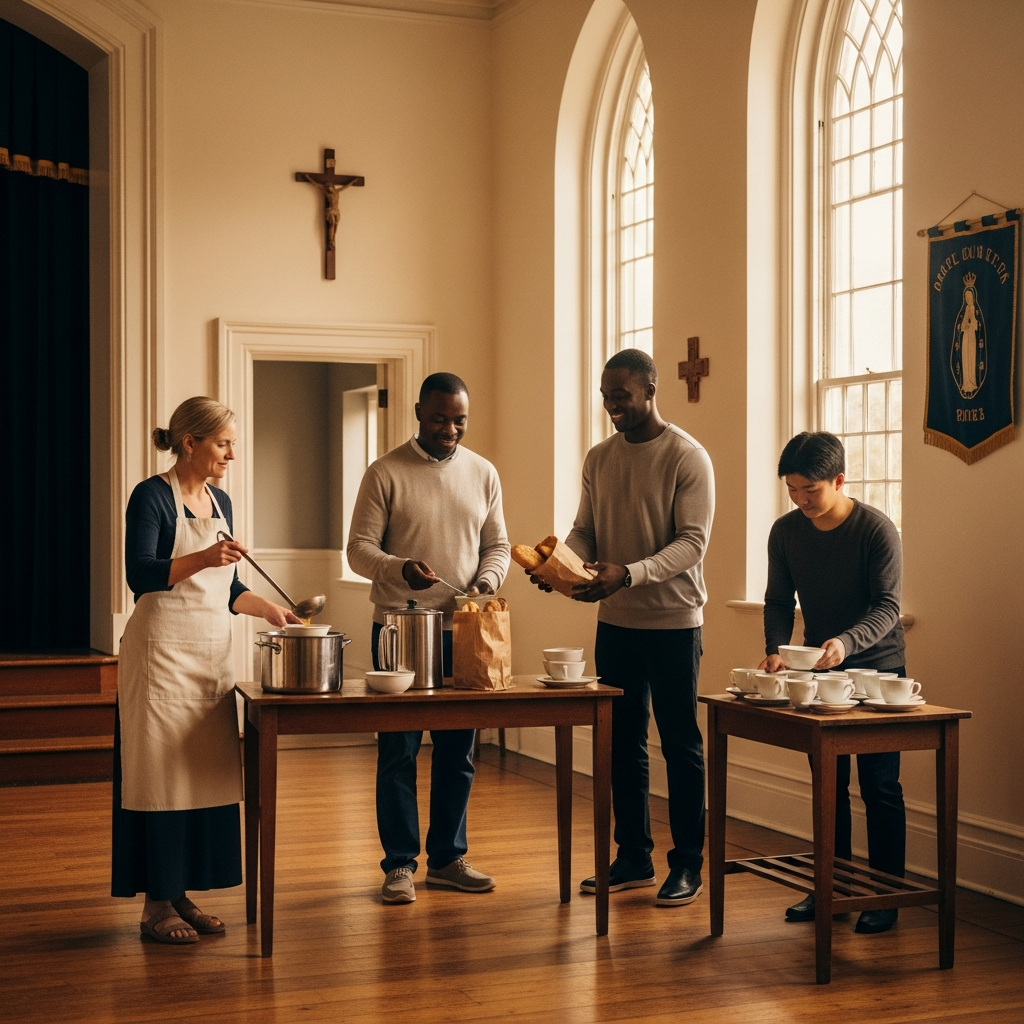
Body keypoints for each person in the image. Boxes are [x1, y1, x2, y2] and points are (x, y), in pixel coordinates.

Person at [529, 349, 715, 907]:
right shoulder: (599, 456)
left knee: (680, 745)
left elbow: (692, 543)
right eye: (606, 396)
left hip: (675, 622)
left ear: (651, 390)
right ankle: (633, 854)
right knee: (620, 744)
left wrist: (628, 574)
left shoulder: (688, 457)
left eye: (622, 396)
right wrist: (561, 563)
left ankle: (688, 865)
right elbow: (587, 530)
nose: (612, 406)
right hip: (616, 622)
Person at [113, 397, 300, 944]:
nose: (231, 455)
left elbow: (226, 589)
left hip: (209, 660)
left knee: (203, 777)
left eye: (232, 444)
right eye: (223, 444)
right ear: (190, 442)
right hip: (160, 660)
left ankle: (181, 893)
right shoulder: (151, 496)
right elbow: (141, 575)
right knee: (162, 780)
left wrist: (269, 610)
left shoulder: (221, 501)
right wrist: (203, 558)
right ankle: (155, 906)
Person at [347, 372, 510, 905]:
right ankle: (398, 865)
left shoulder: (483, 472)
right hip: (398, 627)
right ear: (419, 411)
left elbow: (498, 545)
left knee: (459, 750)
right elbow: (358, 550)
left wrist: (487, 581)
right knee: (398, 750)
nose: (450, 429)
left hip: (463, 628)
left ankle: (446, 859)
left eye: (459, 419)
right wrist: (397, 569)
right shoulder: (385, 472)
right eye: (440, 418)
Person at [760, 430, 907, 934]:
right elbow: (778, 602)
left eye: (810, 491)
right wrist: (777, 649)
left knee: (879, 785)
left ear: (839, 480)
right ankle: (830, 886)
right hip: (818, 672)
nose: (800, 501)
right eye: (792, 491)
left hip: (878, 671)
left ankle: (885, 895)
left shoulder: (877, 531)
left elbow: (888, 607)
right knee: (829, 782)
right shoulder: (785, 532)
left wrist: (846, 642)